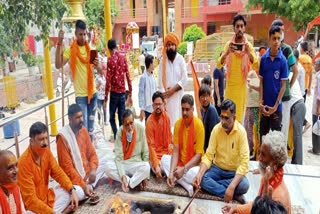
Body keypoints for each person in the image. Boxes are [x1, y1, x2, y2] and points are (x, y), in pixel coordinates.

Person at [193, 99, 249, 203]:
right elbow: (209, 156)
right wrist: (200, 174)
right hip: (217, 169)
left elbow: (244, 163)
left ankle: (225, 189)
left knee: (244, 185)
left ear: (234, 118)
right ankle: (231, 194)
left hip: (233, 172)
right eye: (221, 117)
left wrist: (232, 186)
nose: (223, 121)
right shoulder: (216, 130)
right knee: (203, 179)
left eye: (226, 118)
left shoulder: (241, 132)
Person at [222, 131, 291, 214]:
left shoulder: (278, 196)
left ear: (275, 163)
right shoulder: (268, 178)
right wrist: (236, 208)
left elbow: (259, 209)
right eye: (259, 153)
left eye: (263, 155)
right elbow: (257, 206)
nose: (259, 158)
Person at [55, 20, 102, 140]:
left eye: (84, 34)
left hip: (93, 94)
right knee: (83, 128)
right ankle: (83, 153)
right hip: (81, 96)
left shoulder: (90, 49)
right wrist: (59, 44)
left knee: (91, 128)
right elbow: (58, 64)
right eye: (80, 34)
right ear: (76, 34)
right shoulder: (71, 50)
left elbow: (101, 71)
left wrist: (97, 66)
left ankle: (89, 150)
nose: (83, 37)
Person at [18, 122, 78, 214]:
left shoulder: (46, 151)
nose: (45, 143)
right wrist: (51, 212)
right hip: (34, 207)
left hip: (47, 200)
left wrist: (72, 189)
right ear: (31, 141)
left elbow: (58, 172)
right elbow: (30, 200)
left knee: (73, 192)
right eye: (41, 139)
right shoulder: (23, 163)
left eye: (46, 138)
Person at [56, 104, 108, 201]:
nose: (81, 120)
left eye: (81, 116)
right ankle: (88, 188)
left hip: (88, 173)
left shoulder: (83, 130)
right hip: (75, 180)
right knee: (78, 193)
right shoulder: (63, 138)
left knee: (107, 162)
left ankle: (90, 185)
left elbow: (92, 153)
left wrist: (93, 170)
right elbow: (68, 170)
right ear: (70, 119)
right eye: (77, 117)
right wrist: (83, 186)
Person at [216, 14, 259, 123]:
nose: (239, 29)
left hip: (241, 90)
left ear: (244, 28)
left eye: (241, 26)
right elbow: (218, 65)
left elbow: (257, 66)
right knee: (227, 119)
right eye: (237, 26)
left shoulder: (248, 46)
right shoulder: (228, 45)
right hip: (230, 89)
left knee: (239, 120)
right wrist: (226, 53)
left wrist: (249, 53)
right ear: (234, 28)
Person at [162, 94, 205, 197]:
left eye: (187, 109)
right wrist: (172, 172)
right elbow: (175, 151)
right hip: (180, 164)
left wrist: (184, 169)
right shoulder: (177, 124)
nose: (184, 112)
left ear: (193, 109)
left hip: (193, 166)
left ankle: (179, 179)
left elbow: (199, 155)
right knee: (163, 159)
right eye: (182, 109)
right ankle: (185, 184)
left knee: (196, 175)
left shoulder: (199, 126)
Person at [106, 109, 150, 192]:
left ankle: (129, 183)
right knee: (107, 167)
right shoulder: (120, 132)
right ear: (123, 124)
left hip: (136, 164)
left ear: (134, 121)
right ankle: (131, 181)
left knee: (147, 167)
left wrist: (145, 177)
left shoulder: (140, 128)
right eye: (127, 125)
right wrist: (123, 176)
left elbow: (145, 152)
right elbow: (119, 158)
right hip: (124, 164)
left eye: (131, 123)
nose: (130, 127)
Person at [259, 25, 288, 141]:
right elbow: (261, 82)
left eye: (278, 38)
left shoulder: (283, 61)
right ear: (269, 39)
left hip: (277, 109)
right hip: (265, 108)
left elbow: (283, 86)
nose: (276, 41)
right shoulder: (263, 59)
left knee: (276, 142)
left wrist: (276, 106)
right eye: (274, 38)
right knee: (263, 139)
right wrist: (261, 102)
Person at [104, 39, 133, 140]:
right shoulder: (123, 58)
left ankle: (117, 136)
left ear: (109, 49)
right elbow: (128, 76)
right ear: (116, 47)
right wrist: (130, 93)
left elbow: (108, 81)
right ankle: (122, 140)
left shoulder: (110, 60)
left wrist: (105, 98)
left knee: (111, 118)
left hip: (114, 94)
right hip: (122, 94)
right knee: (122, 119)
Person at [158, 32, 188, 127]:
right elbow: (160, 81)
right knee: (167, 124)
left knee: (178, 123)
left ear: (176, 46)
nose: (170, 47)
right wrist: (164, 95)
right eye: (168, 45)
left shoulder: (180, 60)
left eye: (172, 45)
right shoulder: (162, 61)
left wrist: (173, 90)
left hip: (178, 97)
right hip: (167, 99)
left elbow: (185, 79)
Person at [146, 91, 173, 178]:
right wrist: (156, 165)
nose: (158, 106)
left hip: (167, 153)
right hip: (156, 156)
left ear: (164, 104)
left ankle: (170, 172)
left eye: (160, 104)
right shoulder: (150, 122)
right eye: (156, 104)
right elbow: (151, 146)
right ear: (153, 105)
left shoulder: (167, 117)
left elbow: (170, 138)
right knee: (159, 169)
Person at [244, 70, 260, 159]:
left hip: (251, 108)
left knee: (249, 129)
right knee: (256, 130)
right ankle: (255, 150)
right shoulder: (258, 82)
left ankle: (251, 149)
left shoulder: (250, 84)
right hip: (257, 109)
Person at [199, 84, 220, 151]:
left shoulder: (211, 110)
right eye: (203, 96)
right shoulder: (203, 110)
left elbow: (213, 134)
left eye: (207, 96)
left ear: (210, 97)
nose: (205, 99)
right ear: (199, 98)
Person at [138, 54, 157, 123]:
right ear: (150, 64)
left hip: (154, 107)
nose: (154, 64)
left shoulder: (153, 76)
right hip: (147, 109)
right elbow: (141, 94)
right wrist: (142, 109)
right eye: (153, 63)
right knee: (148, 128)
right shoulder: (143, 77)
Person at [299, 41, 312, 132]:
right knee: (302, 105)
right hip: (305, 86)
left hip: (299, 86)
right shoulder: (310, 59)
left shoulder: (300, 58)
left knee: (298, 107)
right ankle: (303, 123)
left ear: (302, 49)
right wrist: (309, 87)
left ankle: (305, 123)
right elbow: (311, 75)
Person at [311, 58, 320, 154]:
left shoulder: (318, 77)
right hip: (318, 105)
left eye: (316, 64)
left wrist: (318, 108)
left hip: (317, 107)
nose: (314, 66)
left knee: (316, 126)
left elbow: (319, 95)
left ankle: (316, 149)